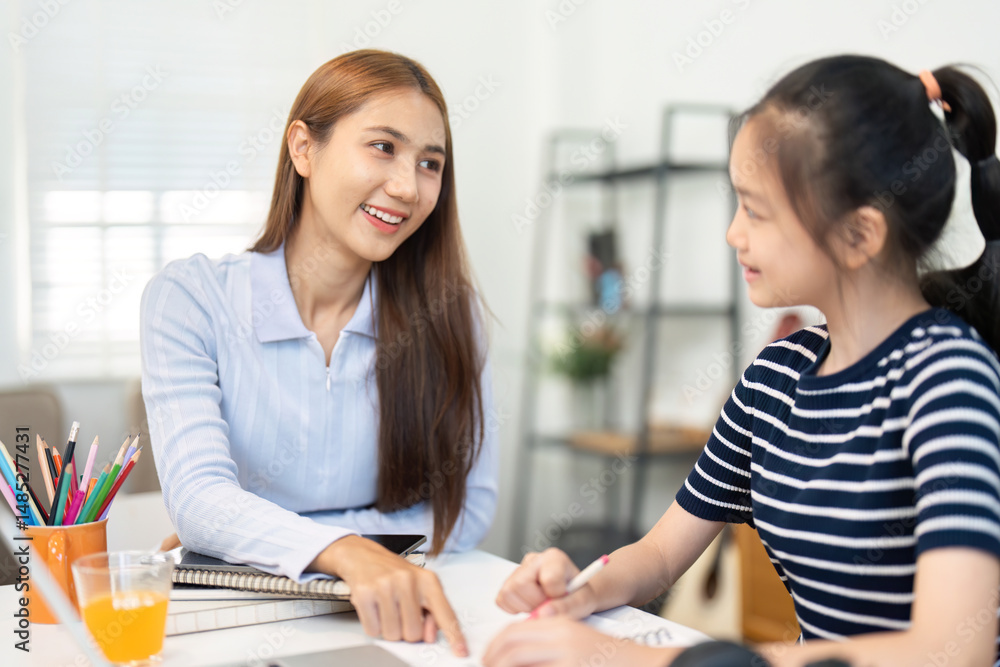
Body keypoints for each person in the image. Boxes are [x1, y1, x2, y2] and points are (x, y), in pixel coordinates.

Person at [484, 55, 1000, 667]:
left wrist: (626, 657)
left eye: (755, 210)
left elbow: (952, 651)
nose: (734, 233)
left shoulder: (947, 379)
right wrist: (579, 591)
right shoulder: (776, 376)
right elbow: (659, 557)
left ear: (859, 235)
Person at [140, 49, 498, 656]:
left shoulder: (449, 314)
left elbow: (465, 512)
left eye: (429, 163)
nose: (407, 187)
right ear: (303, 149)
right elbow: (199, 500)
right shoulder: (190, 299)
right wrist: (345, 552)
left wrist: (258, 538)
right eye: (383, 147)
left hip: (391, 619)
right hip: (239, 626)